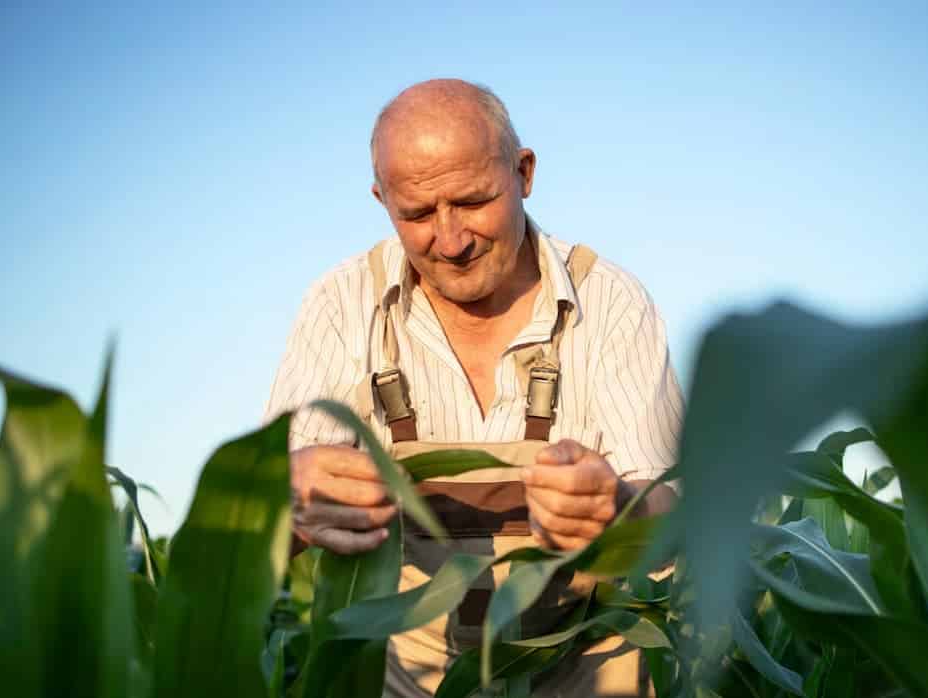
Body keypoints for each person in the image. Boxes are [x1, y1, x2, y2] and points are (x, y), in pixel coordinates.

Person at [264, 78, 683, 697]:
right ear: (383, 201)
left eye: (472, 201)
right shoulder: (341, 305)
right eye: (417, 214)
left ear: (524, 173)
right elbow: (260, 523)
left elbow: (679, 511)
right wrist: (286, 493)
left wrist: (618, 504)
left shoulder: (609, 300)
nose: (451, 239)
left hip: (587, 673)